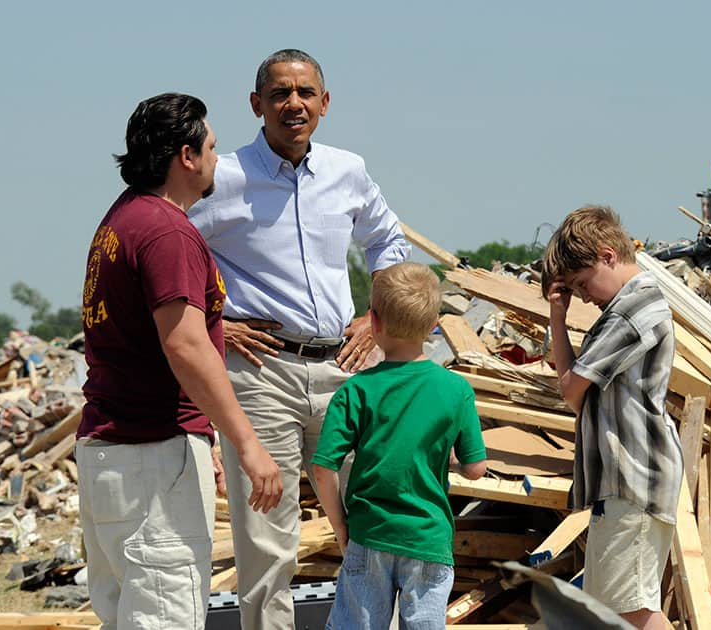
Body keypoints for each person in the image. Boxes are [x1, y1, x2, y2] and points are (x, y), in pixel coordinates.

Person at [189, 49, 409, 629]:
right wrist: (217, 322)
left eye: (306, 93)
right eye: (281, 94)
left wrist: (375, 316)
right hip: (261, 374)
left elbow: (388, 240)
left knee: (374, 512)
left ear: (325, 103)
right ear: (256, 104)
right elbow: (171, 250)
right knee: (268, 539)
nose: (294, 104)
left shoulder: (347, 170)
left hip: (342, 366)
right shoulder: (224, 177)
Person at [77, 93, 283, 630]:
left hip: (114, 454)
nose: (218, 160)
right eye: (211, 148)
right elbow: (186, 345)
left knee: (126, 617)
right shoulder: (168, 232)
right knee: (164, 619)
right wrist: (247, 443)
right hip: (149, 459)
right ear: (186, 157)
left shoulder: (124, 218)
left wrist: (204, 439)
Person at [312, 262, 487, 629]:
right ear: (434, 323)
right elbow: (475, 468)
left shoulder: (356, 390)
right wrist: (450, 460)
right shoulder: (457, 390)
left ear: (373, 321)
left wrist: (340, 525)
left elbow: (323, 466)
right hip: (428, 538)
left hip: (369, 532)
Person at [540, 205, 684, 630]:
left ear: (607, 255)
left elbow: (569, 388)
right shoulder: (624, 311)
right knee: (618, 608)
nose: (584, 296)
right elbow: (574, 391)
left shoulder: (630, 312)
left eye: (583, 284)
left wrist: (560, 320)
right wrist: (558, 317)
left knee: (633, 610)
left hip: (634, 477)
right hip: (626, 480)